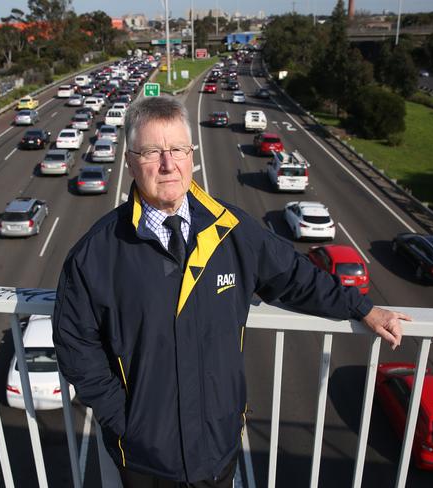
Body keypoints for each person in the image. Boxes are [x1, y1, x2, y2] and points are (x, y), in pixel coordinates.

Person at [53, 96, 409, 487]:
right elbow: (75, 343)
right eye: (153, 151)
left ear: (192, 155)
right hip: (144, 458)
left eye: (178, 150)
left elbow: (294, 276)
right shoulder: (96, 252)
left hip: (217, 447)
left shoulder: (232, 230)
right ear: (131, 162)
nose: (168, 164)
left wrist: (362, 308)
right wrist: (125, 420)